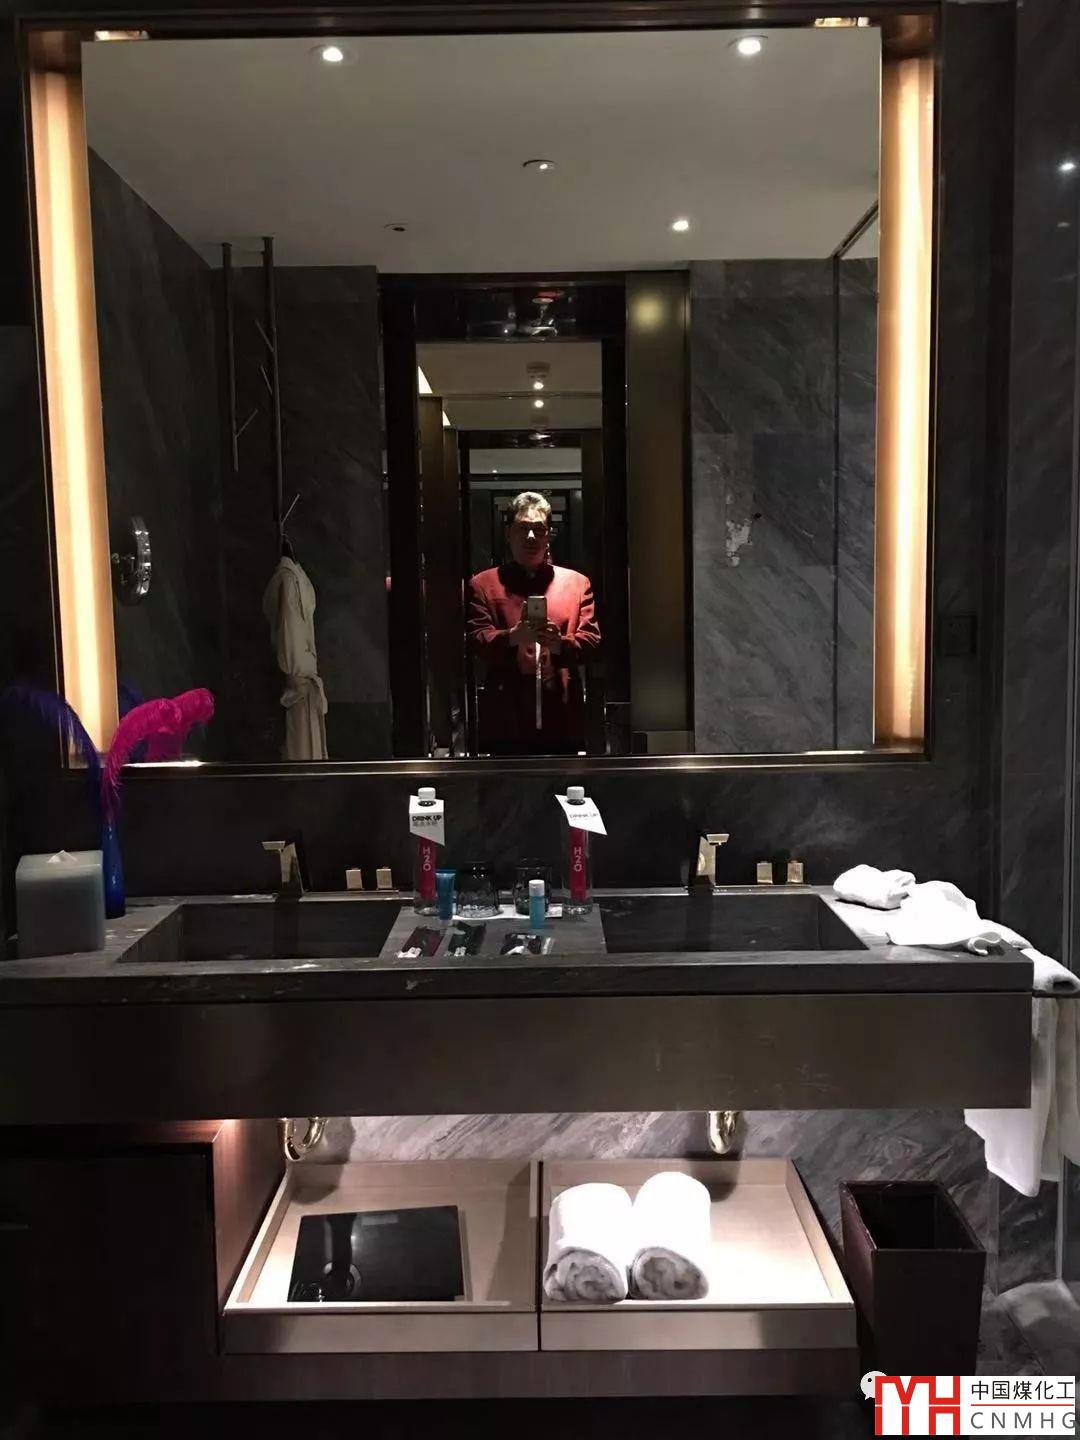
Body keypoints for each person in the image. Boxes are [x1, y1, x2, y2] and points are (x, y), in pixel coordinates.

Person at [467, 491, 600, 753]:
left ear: (549, 535)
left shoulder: (576, 584)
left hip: (562, 717)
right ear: (508, 533)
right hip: (505, 719)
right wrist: (513, 637)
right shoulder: (484, 585)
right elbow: (476, 641)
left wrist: (559, 643)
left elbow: (592, 642)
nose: (530, 537)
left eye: (538, 530)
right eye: (522, 528)